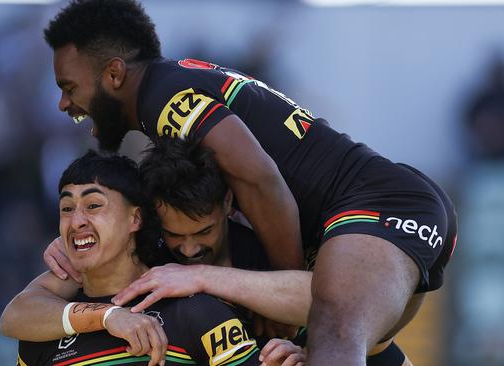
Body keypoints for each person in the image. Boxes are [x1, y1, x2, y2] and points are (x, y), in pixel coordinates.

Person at [41, 0, 458, 364]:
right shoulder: (171, 87)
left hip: (381, 207)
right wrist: (90, 227)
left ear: (113, 74)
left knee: (332, 328)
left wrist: (285, 298)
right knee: (355, 347)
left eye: (69, 87)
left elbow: (261, 179)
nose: (64, 103)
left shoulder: (163, 100)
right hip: (373, 216)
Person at [3, 138, 410, 365]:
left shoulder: (266, 250)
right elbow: (18, 314)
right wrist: (86, 246)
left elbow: (341, 305)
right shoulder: (140, 251)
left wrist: (199, 277)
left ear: (229, 205)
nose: (190, 247)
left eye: (203, 231)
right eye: (67, 208)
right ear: (147, 220)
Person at [14, 150, 288, 366]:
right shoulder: (44, 330)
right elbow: (15, 313)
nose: (77, 221)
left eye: (93, 205)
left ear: (135, 218)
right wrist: (108, 315)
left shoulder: (198, 313)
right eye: (67, 208)